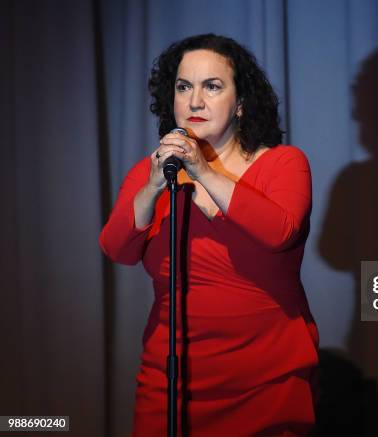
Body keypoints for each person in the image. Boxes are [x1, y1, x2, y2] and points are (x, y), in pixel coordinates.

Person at [99, 33, 319, 436]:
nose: (194, 101)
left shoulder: (284, 163)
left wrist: (202, 171)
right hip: (171, 383)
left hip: (264, 383)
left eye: (212, 87)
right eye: (183, 87)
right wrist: (150, 188)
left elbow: (280, 232)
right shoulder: (152, 172)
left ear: (240, 104)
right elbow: (117, 249)